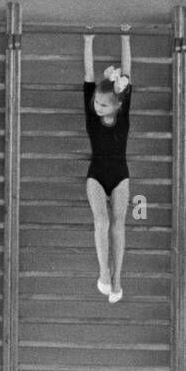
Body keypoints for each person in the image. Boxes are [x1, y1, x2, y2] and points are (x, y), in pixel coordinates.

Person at [83, 33, 132, 302]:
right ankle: (103, 271)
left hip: (121, 175)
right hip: (96, 175)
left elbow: (128, 73)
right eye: (96, 102)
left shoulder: (123, 115)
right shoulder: (92, 115)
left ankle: (118, 277)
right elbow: (89, 76)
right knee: (101, 221)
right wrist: (88, 41)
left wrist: (125, 38)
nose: (98, 107)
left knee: (118, 226)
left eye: (103, 104)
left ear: (118, 105)